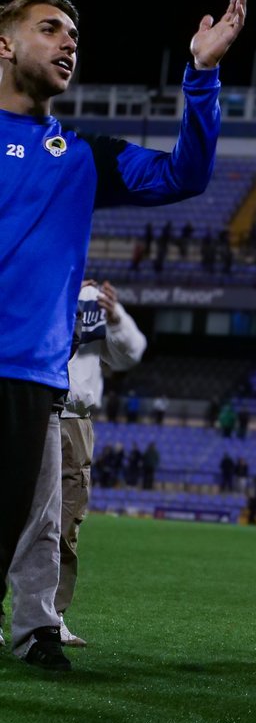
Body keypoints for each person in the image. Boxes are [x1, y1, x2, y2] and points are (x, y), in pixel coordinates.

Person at [0, 0, 247, 672]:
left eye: (74, 34)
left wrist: (201, 77)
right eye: (50, 29)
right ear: (5, 45)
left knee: (34, 528)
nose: (68, 42)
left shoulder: (81, 155)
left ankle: (36, 631)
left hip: (30, 382)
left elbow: (185, 175)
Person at [4, 278, 147, 649]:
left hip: (73, 418)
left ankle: (49, 616)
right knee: (8, 514)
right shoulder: (37, 285)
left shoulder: (91, 301)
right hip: (27, 406)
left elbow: (129, 354)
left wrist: (114, 317)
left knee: (65, 522)